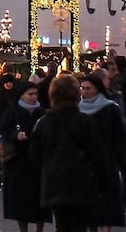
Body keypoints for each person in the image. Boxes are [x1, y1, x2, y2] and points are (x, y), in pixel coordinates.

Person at [28, 74, 105, 232]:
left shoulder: (44, 122)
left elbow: (35, 155)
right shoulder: (85, 122)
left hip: (54, 182)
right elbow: (97, 155)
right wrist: (103, 182)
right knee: (80, 225)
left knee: (62, 223)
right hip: (81, 183)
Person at [78, 73, 126, 230]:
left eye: (88, 88)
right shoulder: (77, 109)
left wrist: (118, 161)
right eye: (82, 88)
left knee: (106, 206)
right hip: (84, 165)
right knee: (89, 208)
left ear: (97, 89)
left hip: (106, 163)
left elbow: (119, 137)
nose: (84, 92)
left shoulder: (110, 108)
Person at [0, 80, 49, 232]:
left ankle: (39, 229)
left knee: (40, 200)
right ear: (22, 95)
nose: (34, 97)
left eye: (36, 94)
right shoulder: (12, 112)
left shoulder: (42, 113)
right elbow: (5, 130)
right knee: (20, 200)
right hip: (18, 160)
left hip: (38, 162)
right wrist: (16, 135)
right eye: (30, 94)